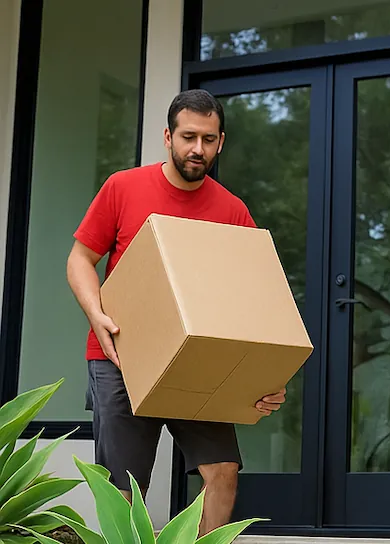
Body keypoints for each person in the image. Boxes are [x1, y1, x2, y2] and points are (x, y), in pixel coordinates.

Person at [66, 89, 287, 535]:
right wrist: (97, 314)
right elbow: (79, 260)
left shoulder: (232, 211)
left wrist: (265, 379)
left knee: (223, 470)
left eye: (208, 139)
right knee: (124, 487)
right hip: (122, 356)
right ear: (167, 136)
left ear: (220, 142)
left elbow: (255, 301)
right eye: (188, 137)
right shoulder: (123, 187)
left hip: (200, 361)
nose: (197, 149)